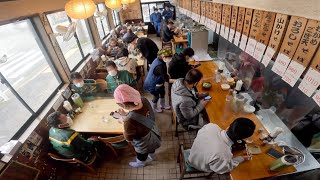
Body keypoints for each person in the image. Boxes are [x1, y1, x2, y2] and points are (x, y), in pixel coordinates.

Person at [113, 84, 161, 168]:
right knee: (151, 148)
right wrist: (126, 114)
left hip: (143, 141)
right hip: (153, 131)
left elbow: (129, 138)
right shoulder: (144, 100)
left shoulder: (129, 120)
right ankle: (153, 156)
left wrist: (124, 121)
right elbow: (139, 114)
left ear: (123, 105)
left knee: (141, 155)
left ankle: (140, 163)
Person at [188, 118, 256, 174]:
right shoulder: (223, 155)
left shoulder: (211, 126)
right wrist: (241, 158)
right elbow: (221, 169)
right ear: (241, 139)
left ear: (229, 126)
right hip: (197, 164)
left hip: (194, 152)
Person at [143, 48, 171, 113]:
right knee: (156, 96)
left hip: (159, 82)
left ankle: (162, 105)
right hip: (152, 84)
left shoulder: (158, 59)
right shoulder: (159, 66)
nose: (169, 59)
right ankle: (154, 107)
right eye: (169, 57)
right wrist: (176, 80)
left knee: (162, 92)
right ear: (163, 56)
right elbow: (166, 79)